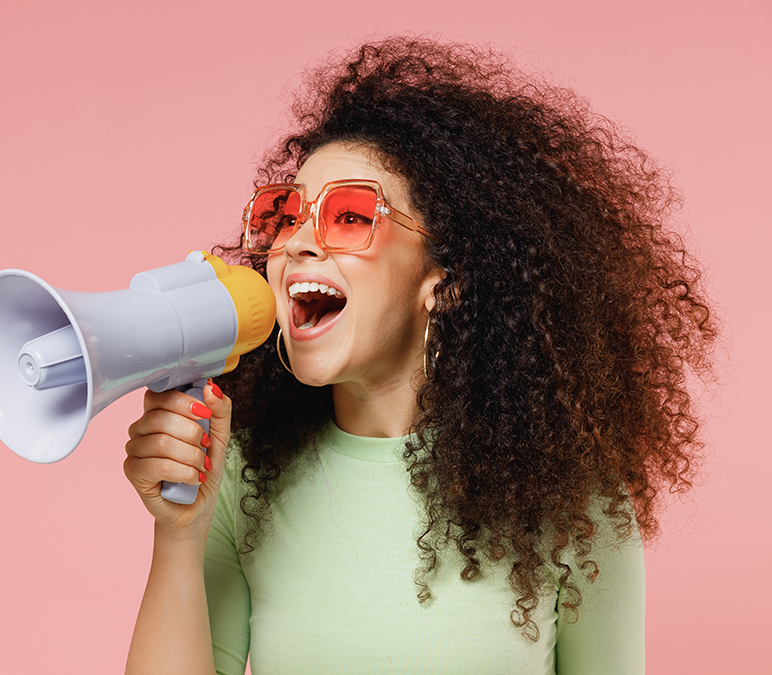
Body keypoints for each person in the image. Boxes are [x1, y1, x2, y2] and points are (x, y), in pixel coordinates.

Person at [122, 36, 715, 675]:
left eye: (350, 217)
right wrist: (179, 536)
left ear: (445, 281)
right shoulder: (240, 473)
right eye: (287, 215)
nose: (298, 245)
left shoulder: (575, 500)